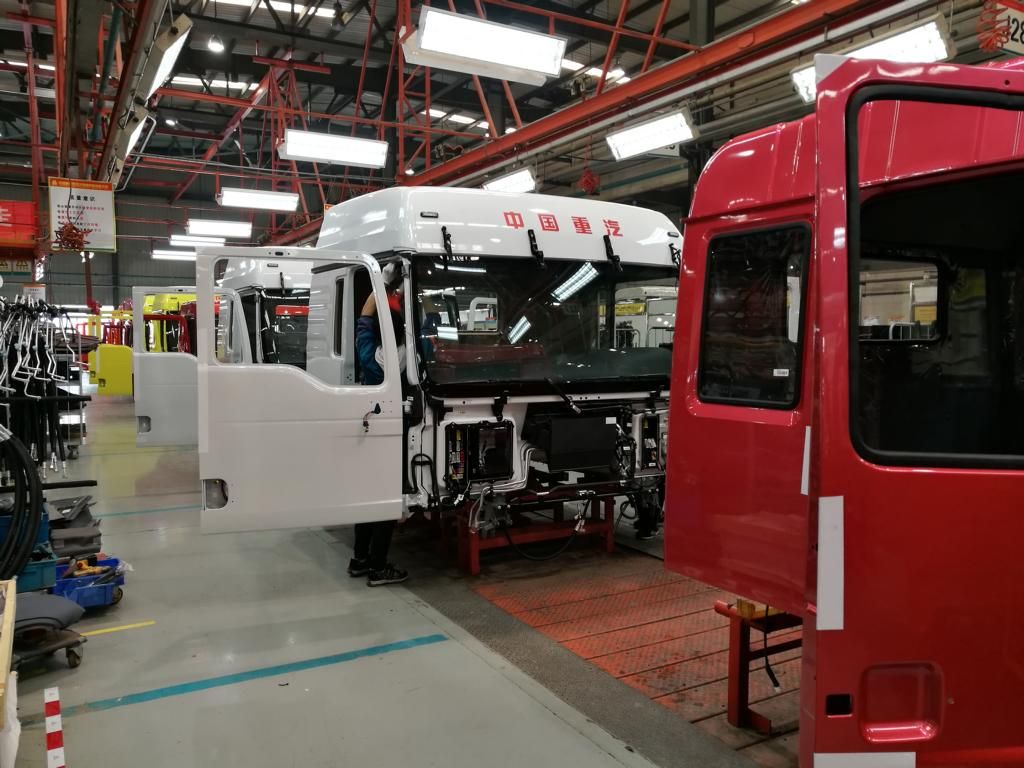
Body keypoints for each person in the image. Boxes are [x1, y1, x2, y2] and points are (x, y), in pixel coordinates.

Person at [347, 279, 409, 587]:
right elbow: (426, 328)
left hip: (369, 430)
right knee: (387, 501)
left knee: (368, 496)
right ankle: (378, 567)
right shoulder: (409, 356)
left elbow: (364, 317)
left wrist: (382, 283)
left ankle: (359, 559)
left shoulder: (369, 354)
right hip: (395, 434)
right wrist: (407, 292)